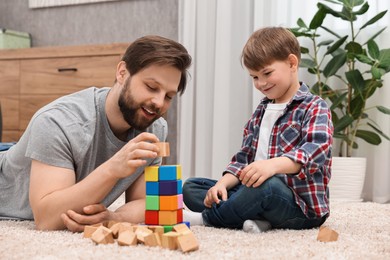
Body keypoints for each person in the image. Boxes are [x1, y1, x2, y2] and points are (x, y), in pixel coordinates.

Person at [0, 35, 192, 232]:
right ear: (122, 73)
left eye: (169, 96)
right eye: (151, 87)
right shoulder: (57, 122)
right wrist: (113, 168)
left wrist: (115, 217)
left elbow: (146, 202)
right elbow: (47, 219)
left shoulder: (155, 128)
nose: (159, 103)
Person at [182, 27, 333, 233]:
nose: (261, 83)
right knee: (192, 187)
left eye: (267, 73)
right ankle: (257, 219)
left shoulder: (315, 106)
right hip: (256, 192)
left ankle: (208, 219)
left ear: (292, 63)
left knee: (267, 187)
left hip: (301, 208)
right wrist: (223, 184)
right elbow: (244, 157)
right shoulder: (261, 110)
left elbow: (315, 151)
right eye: (254, 77)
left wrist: (271, 166)